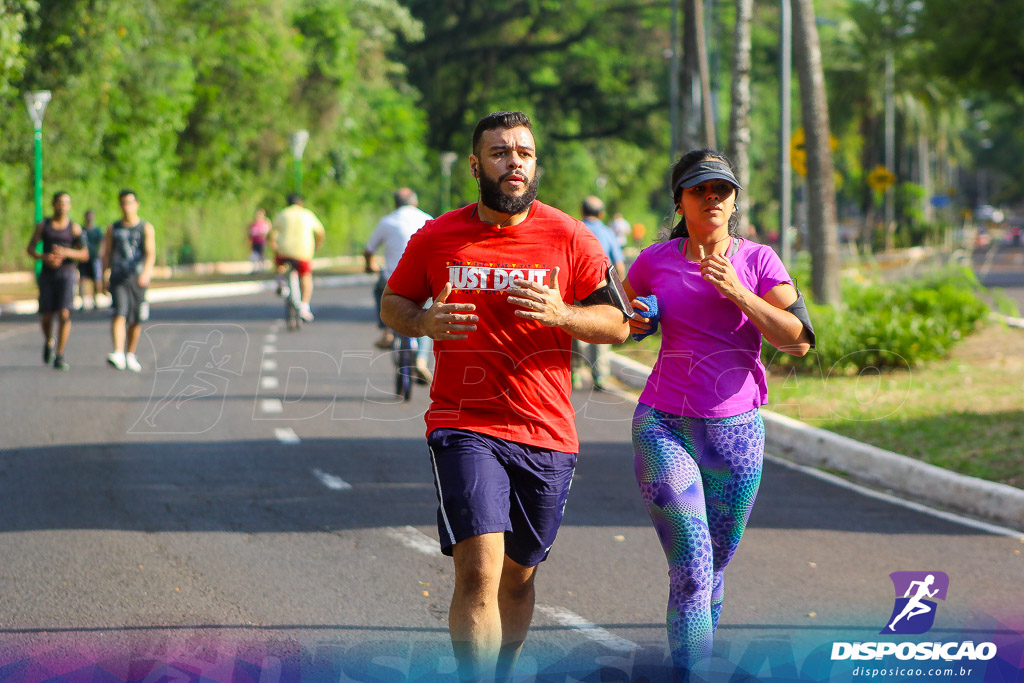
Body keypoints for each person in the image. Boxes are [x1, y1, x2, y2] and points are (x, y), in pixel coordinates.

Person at [380, 111, 629, 682]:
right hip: (463, 422)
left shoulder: (569, 235)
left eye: (523, 152)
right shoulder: (439, 234)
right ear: (476, 165)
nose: (513, 161)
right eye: (499, 152)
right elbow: (393, 303)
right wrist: (423, 320)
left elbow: (617, 323)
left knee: (518, 574)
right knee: (480, 571)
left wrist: (563, 313)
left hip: (546, 431)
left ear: (535, 163)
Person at [623, 149, 814, 679]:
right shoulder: (654, 260)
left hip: (736, 436)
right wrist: (637, 320)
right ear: (680, 203)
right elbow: (620, 317)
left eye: (721, 190)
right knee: (691, 566)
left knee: (715, 565)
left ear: (733, 203)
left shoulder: (759, 261)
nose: (711, 198)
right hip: (664, 425)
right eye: (698, 190)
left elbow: (797, 342)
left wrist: (737, 291)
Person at [364, 187, 434, 381]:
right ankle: (421, 361)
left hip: (393, 280)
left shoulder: (387, 221)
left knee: (380, 290)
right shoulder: (428, 219)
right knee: (427, 315)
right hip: (423, 280)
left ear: (395, 204)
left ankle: (386, 331)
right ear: (415, 203)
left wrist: (369, 265)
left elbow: (369, 249)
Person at [26, 191, 89, 370]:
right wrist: (43, 257)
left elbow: (85, 254)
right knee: (47, 316)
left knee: (64, 314)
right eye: (59, 202)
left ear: (69, 206)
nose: (62, 206)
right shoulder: (43, 226)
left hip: (67, 274)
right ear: (53, 204)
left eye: (66, 202)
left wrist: (66, 252)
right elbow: (30, 248)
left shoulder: (74, 228)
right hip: (47, 274)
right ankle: (48, 341)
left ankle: (59, 355)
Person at [572, 196, 625, 392]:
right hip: (602, 289)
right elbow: (618, 263)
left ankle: (575, 373)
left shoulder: (575, 229)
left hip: (576, 288)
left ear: (582, 211)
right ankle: (599, 376)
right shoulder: (608, 233)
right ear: (601, 214)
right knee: (601, 331)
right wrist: (621, 293)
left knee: (575, 330)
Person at [104, 189, 156, 372]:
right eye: (123, 203)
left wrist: (146, 272)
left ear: (137, 205)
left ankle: (130, 354)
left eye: (130, 203)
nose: (127, 207)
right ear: (120, 205)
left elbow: (150, 253)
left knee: (135, 319)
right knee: (119, 312)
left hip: (138, 278)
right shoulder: (114, 228)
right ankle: (118, 352)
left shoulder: (145, 227)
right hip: (118, 276)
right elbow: (107, 252)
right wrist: (105, 273)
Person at [269, 193, 325, 322]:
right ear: (301, 203)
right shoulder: (307, 214)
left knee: (278, 261)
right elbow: (320, 231)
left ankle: (280, 281)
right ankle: (305, 306)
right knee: (305, 275)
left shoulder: (282, 214)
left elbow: (272, 233)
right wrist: (318, 244)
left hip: (284, 251)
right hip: (303, 252)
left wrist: (273, 243)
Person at [77, 209, 105, 310]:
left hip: (94, 258)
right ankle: (83, 302)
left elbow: (102, 242)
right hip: (83, 259)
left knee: (96, 280)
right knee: (83, 280)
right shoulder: (81, 230)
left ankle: (95, 300)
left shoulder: (97, 230)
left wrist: (101, 253)